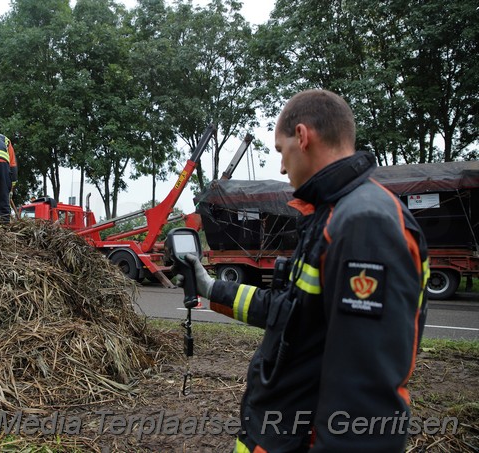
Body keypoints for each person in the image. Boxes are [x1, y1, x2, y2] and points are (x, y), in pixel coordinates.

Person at [180, 89, 429, 452]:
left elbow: (365, 393)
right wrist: (211, 287)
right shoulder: (334, 214)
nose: (281, 167)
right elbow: (293, 314)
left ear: (302, 136)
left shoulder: (365, 223)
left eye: (281, 151)